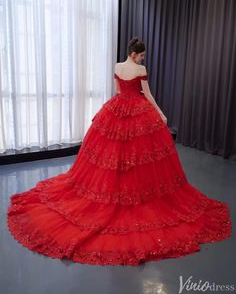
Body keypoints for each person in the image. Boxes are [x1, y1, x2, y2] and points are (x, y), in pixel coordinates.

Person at [7, 37, 231, 266]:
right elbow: (147, 94)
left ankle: (115, 190)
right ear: (135, 54)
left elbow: (117, 90)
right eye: (142, 55)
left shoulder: (117, 66)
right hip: (137, 109)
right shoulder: (140, 69)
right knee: (140, 158)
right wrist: (161, 114)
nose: (143, 58)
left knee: (113, 156)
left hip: (117, 107)